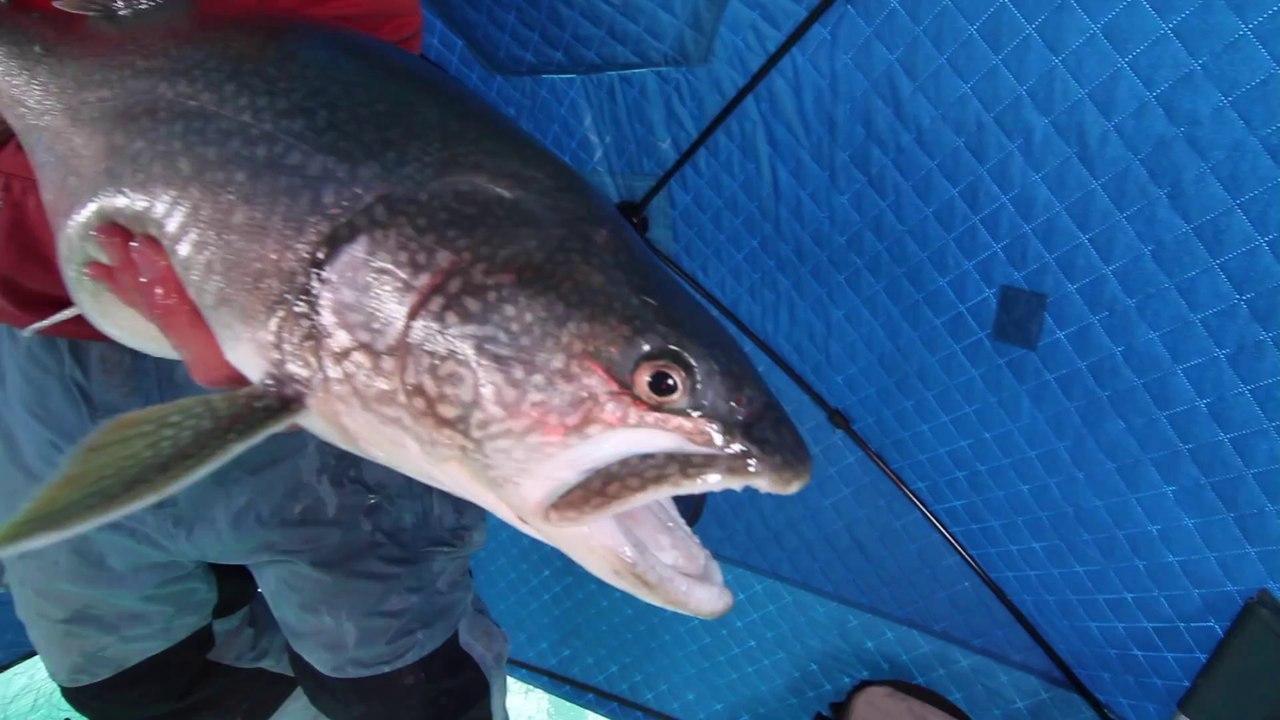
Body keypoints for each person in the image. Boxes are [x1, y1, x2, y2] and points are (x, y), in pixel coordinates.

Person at [0, 1, 509, 718]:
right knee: (129, 678)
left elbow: (363, 95)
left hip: (295, 356)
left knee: (399, 682)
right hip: (37, 351)